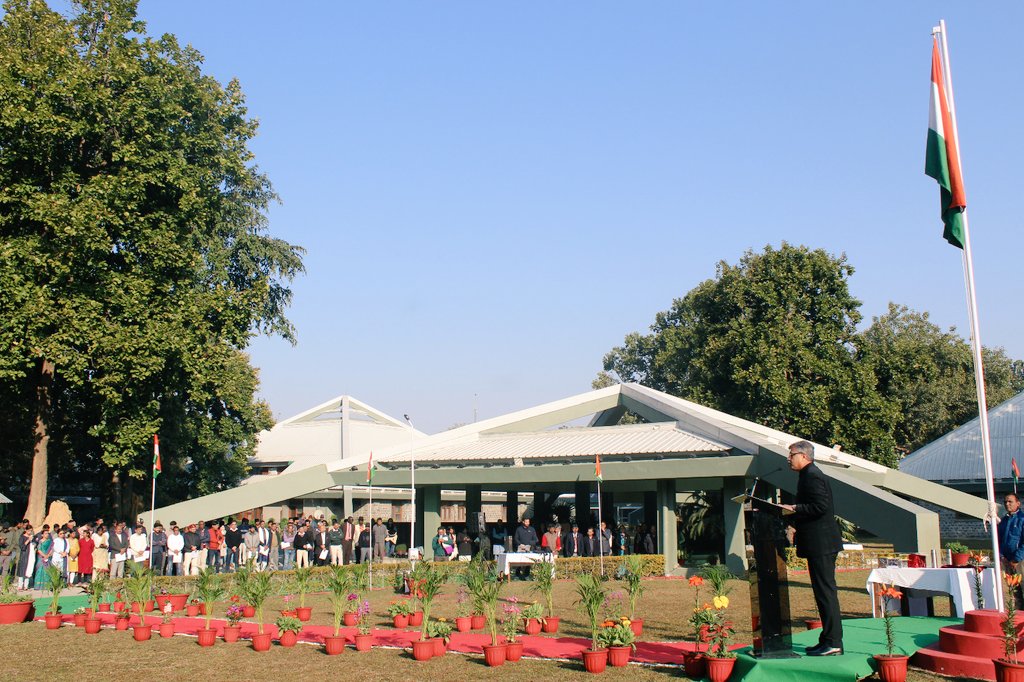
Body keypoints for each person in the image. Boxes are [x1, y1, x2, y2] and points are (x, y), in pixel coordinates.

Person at [781, 439, 844, 656]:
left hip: (822, 543)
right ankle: (827, 638)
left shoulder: (813, 475)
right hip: (817, 543)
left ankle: (834, 641)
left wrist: (794, 507)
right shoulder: (806, 475)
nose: (788, 458)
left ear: (804, 456)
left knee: (826, 592)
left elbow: (820, 506)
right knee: (821, 592)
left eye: (791, 454)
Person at [996, 493, 1024, 605]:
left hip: (1020, 560)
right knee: (1014, 591)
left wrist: (1016, 558)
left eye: (1010, 501)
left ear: (1018, 503)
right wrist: (1002, 556)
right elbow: (1000, 540)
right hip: (1007, 561)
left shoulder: (1021, 519)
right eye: (1005, 502)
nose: (1007, 504)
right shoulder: (1004, 521)